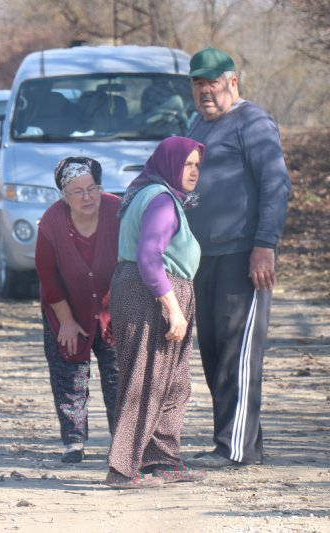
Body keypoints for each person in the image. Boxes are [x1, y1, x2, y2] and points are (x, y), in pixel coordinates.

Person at [184, 48, 291, 469]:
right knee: (213, 354)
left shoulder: (254, 122)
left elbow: (275, 185)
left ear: (232, 81)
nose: (205, 91)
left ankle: (235, 448)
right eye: (197, 83)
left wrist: (264, 245)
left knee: (237, 353)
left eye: (212, 82)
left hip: (241, 253)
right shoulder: (198, 124)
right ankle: (242, 442)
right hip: (202, 257)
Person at [105, 136, 206, 489]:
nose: (193, 171)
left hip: (149, 291)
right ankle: (122, 468)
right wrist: (174, 310)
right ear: (168, 164)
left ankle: (162, 460)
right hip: (150, 295)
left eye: (196, 164)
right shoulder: (161, 200)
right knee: (144, 382)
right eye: (187, 164)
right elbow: (150, 259)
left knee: (174, 384)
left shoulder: (154, 194)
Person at [35, 157, 120, 464]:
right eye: (77, 191)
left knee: (118, 374)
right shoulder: (52, 222)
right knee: (70, 372)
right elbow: (47, 276)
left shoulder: (117, 211)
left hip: (113, 308)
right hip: (66, 308)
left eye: (93, 188)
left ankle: (122, 439)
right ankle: (74, 440)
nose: (87, 197)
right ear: (63, 195)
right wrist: (67, 321)